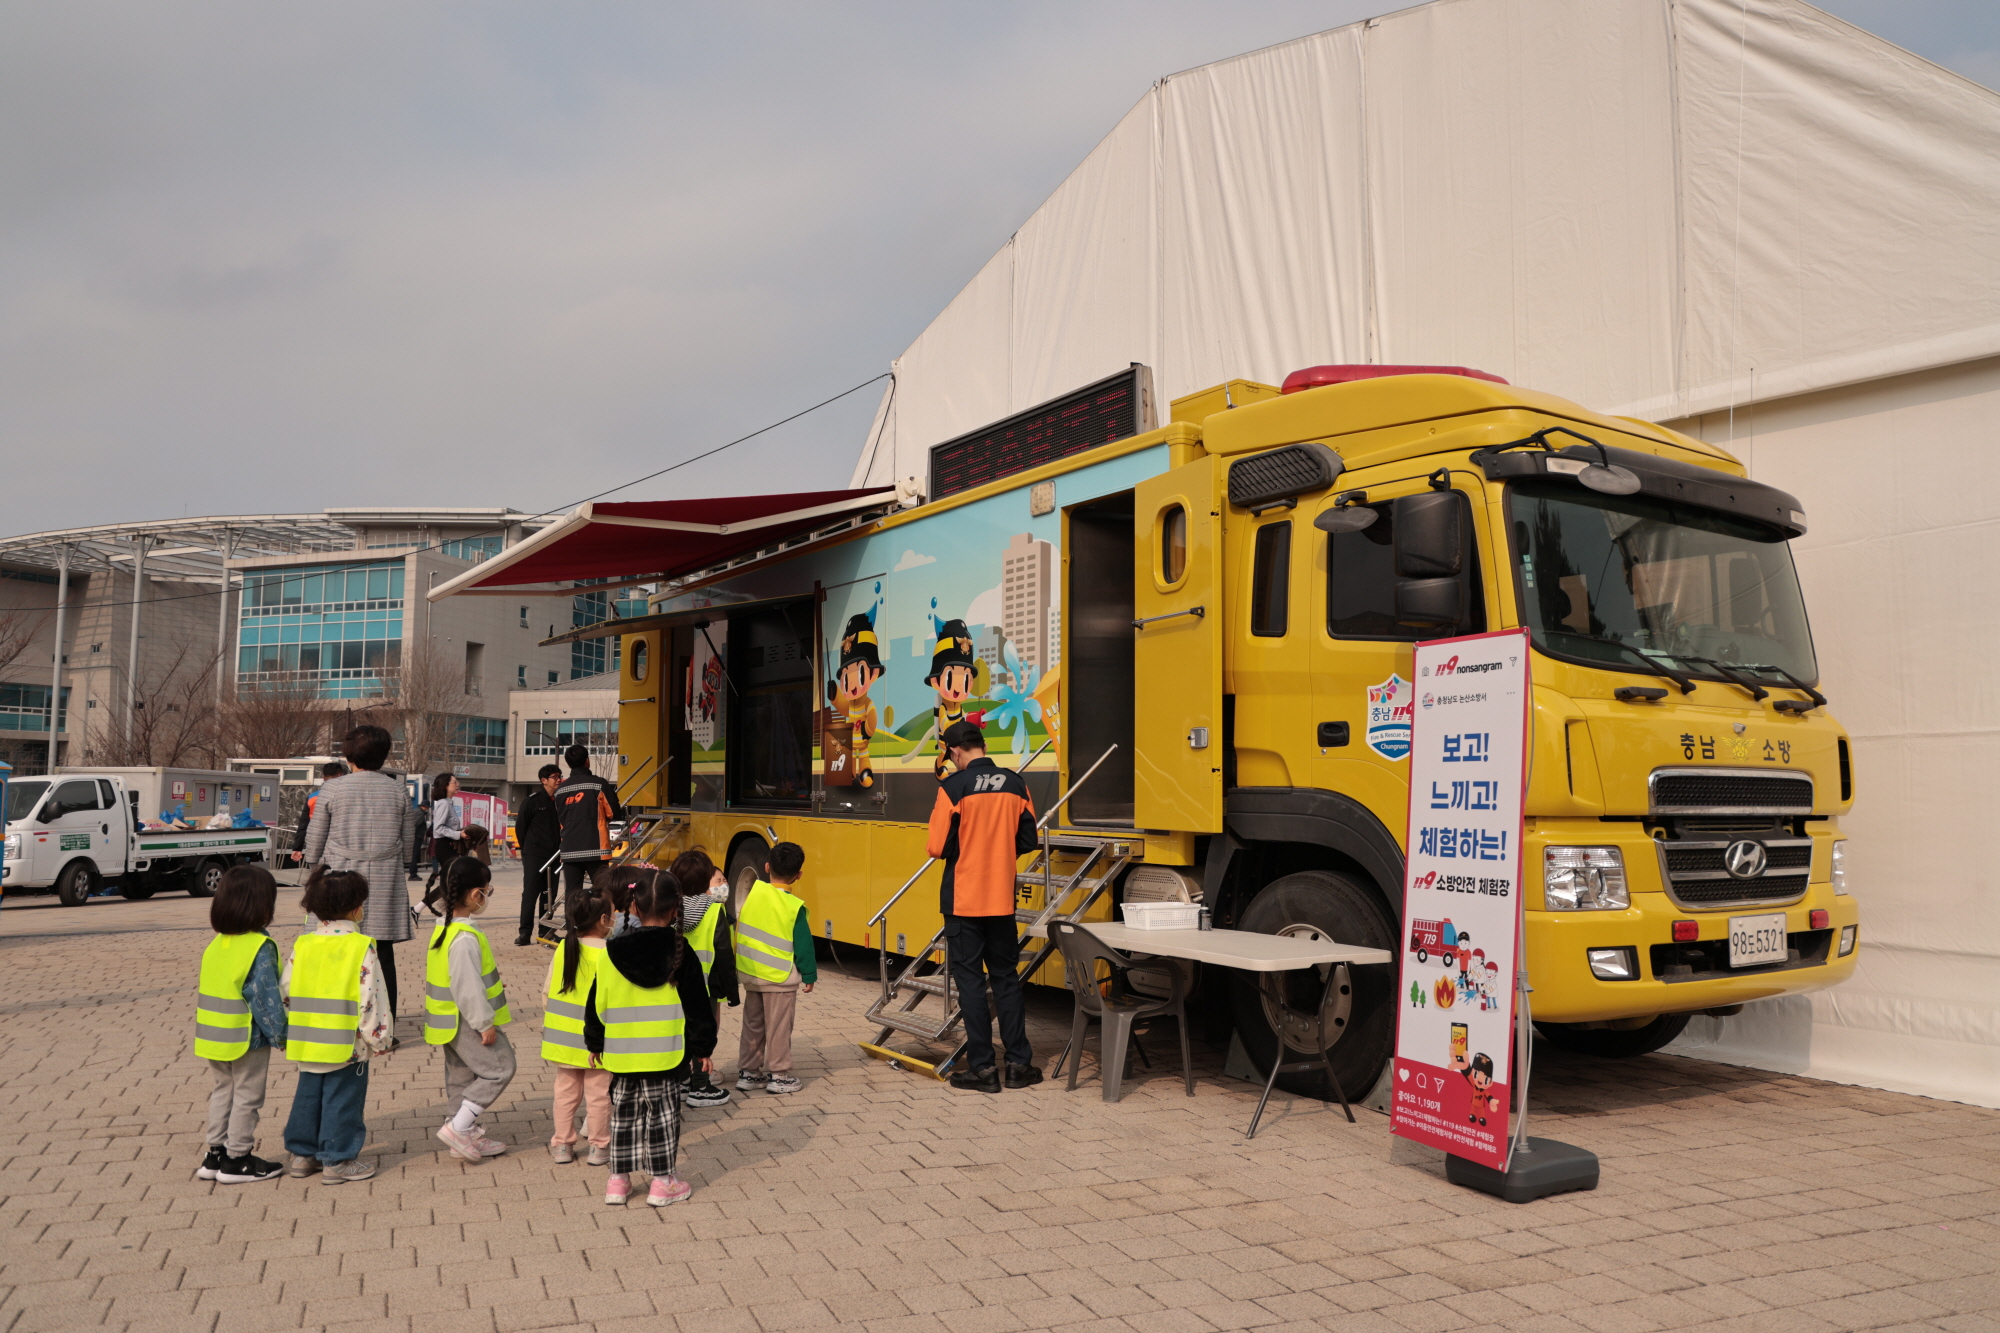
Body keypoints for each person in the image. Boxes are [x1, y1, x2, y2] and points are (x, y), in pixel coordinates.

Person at [581, 867, 717, 1207]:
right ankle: (662, 1182)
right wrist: (703, 1049)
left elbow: (597, 1003)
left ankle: (618, 1181)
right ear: (676, 909)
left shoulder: (611, 952)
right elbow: (699, 1007)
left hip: (622, 1054)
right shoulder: (682, 952)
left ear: (635, 908)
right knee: (664, 1116)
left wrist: (595, 1043)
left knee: (624, 1114)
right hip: (666, 1054)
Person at [927, 720, 1040, 1094]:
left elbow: (937, 847)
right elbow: (1028, 838)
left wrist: (969, 847)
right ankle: (1019, 1065)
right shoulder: (1016, 783)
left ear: (955, 751)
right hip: (1001, 900)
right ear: (982, 745)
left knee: (972, 983)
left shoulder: (953, 787)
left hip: (963, 901)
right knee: (1006, 979)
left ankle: (983, 1069)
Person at [281, 868, 394, 1182]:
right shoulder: (360, 945)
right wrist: (379, 1039)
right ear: (358, 909)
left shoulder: (304, 944)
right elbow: (371, 996)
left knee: (308, 1096)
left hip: (305, 1039)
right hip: (347, 1042)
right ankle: (337, 1159)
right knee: (342, 1098)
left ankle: (302, 1155)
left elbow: (285, 990)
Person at [303, 725, 418, 1019]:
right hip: (384, 878)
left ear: (348, 754)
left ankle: (339, 1019)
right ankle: (385, 1025)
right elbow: (408, 845)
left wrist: (313, 865)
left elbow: (315, 839)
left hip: (339, 878)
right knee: (383, 953)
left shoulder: (332, 788)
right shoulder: (397, 790)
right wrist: (399, 861)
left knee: (337, 948)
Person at [194, 865, 288, 1184]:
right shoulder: (259, 946)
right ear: (262, 905)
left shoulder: (218, 943)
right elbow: (265, 1000)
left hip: (212, 1035)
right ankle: (238, 1159)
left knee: (223, 1091)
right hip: (246, 1037)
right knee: (248, 1096)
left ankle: (215, 1154)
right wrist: (281, 1035)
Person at [426, 857, 517, 1163]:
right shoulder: (464, 937)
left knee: (461, 1076)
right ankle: (459, 1127)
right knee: (500, 1069)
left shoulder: (445, 928)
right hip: (467, 1021)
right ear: (476, 895)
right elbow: (468, 987)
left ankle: (462, 1133)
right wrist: (484, 1024)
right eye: (486, 891)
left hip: (447, 1021)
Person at [732, 841, 815, 1097]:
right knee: (778, 1026)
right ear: (799, 875)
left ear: (767, 867)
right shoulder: (793, 907)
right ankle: (779, 1075)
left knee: (753, 1024)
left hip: (751, 974)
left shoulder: (752, 895)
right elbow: (803, 944)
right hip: (780, 978)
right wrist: (809, 975)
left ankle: (749, 1072)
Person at [543, 886, 614, 1165]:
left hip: (563, 1039)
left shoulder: (564, 947)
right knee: (599, 1096)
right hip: (597, 1042)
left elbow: (547, 992)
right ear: (603, 920)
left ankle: (562, 1145)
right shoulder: (609, 953)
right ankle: (598, 1148)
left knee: (565, 1094)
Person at [665, 850, 739, 1108]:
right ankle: (701, 1087)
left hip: (674, 982)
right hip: (706, 983)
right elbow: (724, 952)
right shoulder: (713, 910)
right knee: (703, 1030)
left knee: (682, 1029)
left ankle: (683, 1079)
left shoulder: (668, 908)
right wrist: (732, 991)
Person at [555, 745, 623, 903]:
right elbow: (613, 813)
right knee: (603, 893)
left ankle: (573, 927)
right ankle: (602, 925)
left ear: (568, 763)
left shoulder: (560, 790)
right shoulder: (599, 784)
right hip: (596, 848)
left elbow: (559, 818)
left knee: (572, 895)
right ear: (587, 761)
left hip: (570, 850)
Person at [514, 764, 562, 946]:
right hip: (534, 856)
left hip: (555, 856)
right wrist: (528, 852)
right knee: (530, 894)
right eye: (555, 777)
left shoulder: (559, 801)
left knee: (549, 895)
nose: (558, 780)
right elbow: (521, 829)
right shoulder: (531, 801)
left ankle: (546, 932)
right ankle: (524, 933)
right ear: (544, 780)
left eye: (560, 776)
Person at [288, 762, 346, 864]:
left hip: (316, 847)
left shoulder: (313, 797)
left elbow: (304, 824)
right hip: (340, 847)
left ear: (323, 777)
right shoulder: (346, 796)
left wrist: (297, 847)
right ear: (340, 775)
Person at [426, 773, 464, 896]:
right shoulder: (443, 804)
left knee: (449, 882)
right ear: (445, 786)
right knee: (453, 881)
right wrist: (459, 835)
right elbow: (438, 829)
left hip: (449, 845)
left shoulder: (449, 804)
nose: (457, 785)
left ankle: (418, 908)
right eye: (454, 782)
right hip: (444, 847)